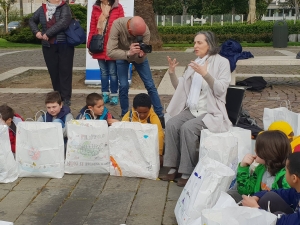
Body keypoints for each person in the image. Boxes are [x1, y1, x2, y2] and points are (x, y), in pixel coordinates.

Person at [161, 31, 232, 187]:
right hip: (192, 109)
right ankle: (173, 166)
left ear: (210, 44)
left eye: (199, 43)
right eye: (194, 43)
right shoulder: (195, 64)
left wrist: (206, 74)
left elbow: (221, 90)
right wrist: (172, 73)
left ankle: (187, 171)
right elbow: (181, 89)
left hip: (210, 111)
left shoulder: (222, 62)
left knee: (188, 128)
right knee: (172, 124)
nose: (195, 46)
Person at [106, 16, 164, 120]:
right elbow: (110, 52)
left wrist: (140, 56)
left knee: (150, 85)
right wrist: (128, 53)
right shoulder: (117, 25)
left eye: (141, 35)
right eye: (137, 35)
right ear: (129, 30)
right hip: (122, 55)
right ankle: (125, 115)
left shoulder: (145, 31)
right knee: (123, 86)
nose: (139, 37)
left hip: (138, 57)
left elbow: (141, 57)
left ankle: (160, 115)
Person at [29, 0, 74, 106]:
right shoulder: (42, 9)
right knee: (53, 72)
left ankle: (66, 97)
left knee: (65, 71)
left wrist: (48, 33)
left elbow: (64, 22)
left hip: (64, 44)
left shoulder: (64, 7)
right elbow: (32, 20)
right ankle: (58, 96)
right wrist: (36, 32)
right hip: (48, 46)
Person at [242, 152, 300, 225]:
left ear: (294, 178)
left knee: (276, 215)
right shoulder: (295, 191)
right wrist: (256, 196)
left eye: (286, 170)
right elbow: (278, 193)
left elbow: (284, 222)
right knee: (269, 197)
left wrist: (257, 209)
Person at [87, 0, 124, 105]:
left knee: (113, 72)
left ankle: (114, 95)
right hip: (99, 44)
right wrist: (89, 44)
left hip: (112, 45)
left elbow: (122, 27)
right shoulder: (96, 8)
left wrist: (120, 44)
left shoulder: (117, 7)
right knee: (103, 72)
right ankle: (105, 94)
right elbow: (92, 27)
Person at [237, 130, 291, 196]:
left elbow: (288, 203)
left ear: (269, 152)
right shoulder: (260, 169)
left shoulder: (286, 178)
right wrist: (243, 167)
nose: (254, 150)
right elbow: (245, 191)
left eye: (258, 148)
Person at [122, 93, 164, 165]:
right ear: (134, 109)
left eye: (145, 112)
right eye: (139, 112)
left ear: (150, 108)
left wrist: (159, 154)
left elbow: (159, 135)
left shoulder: (153, 118)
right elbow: (122, 132)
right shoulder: (128, 117)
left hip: (148, 146)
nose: (142, 115)